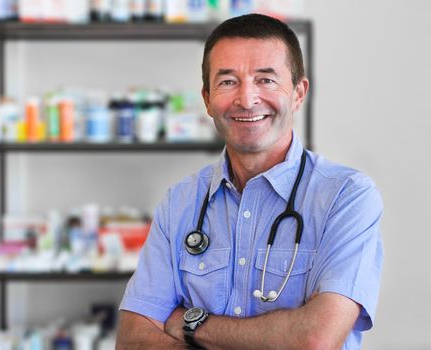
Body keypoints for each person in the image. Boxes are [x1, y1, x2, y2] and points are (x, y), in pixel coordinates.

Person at [117, 13, 383, 350]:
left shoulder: (346, 197)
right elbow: (133, 338)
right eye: (228, 81)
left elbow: (314, 340)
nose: (247, 99)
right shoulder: (181, 201)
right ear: (207, 99)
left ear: (299, 93)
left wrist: (188, 323)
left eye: (266, 80)